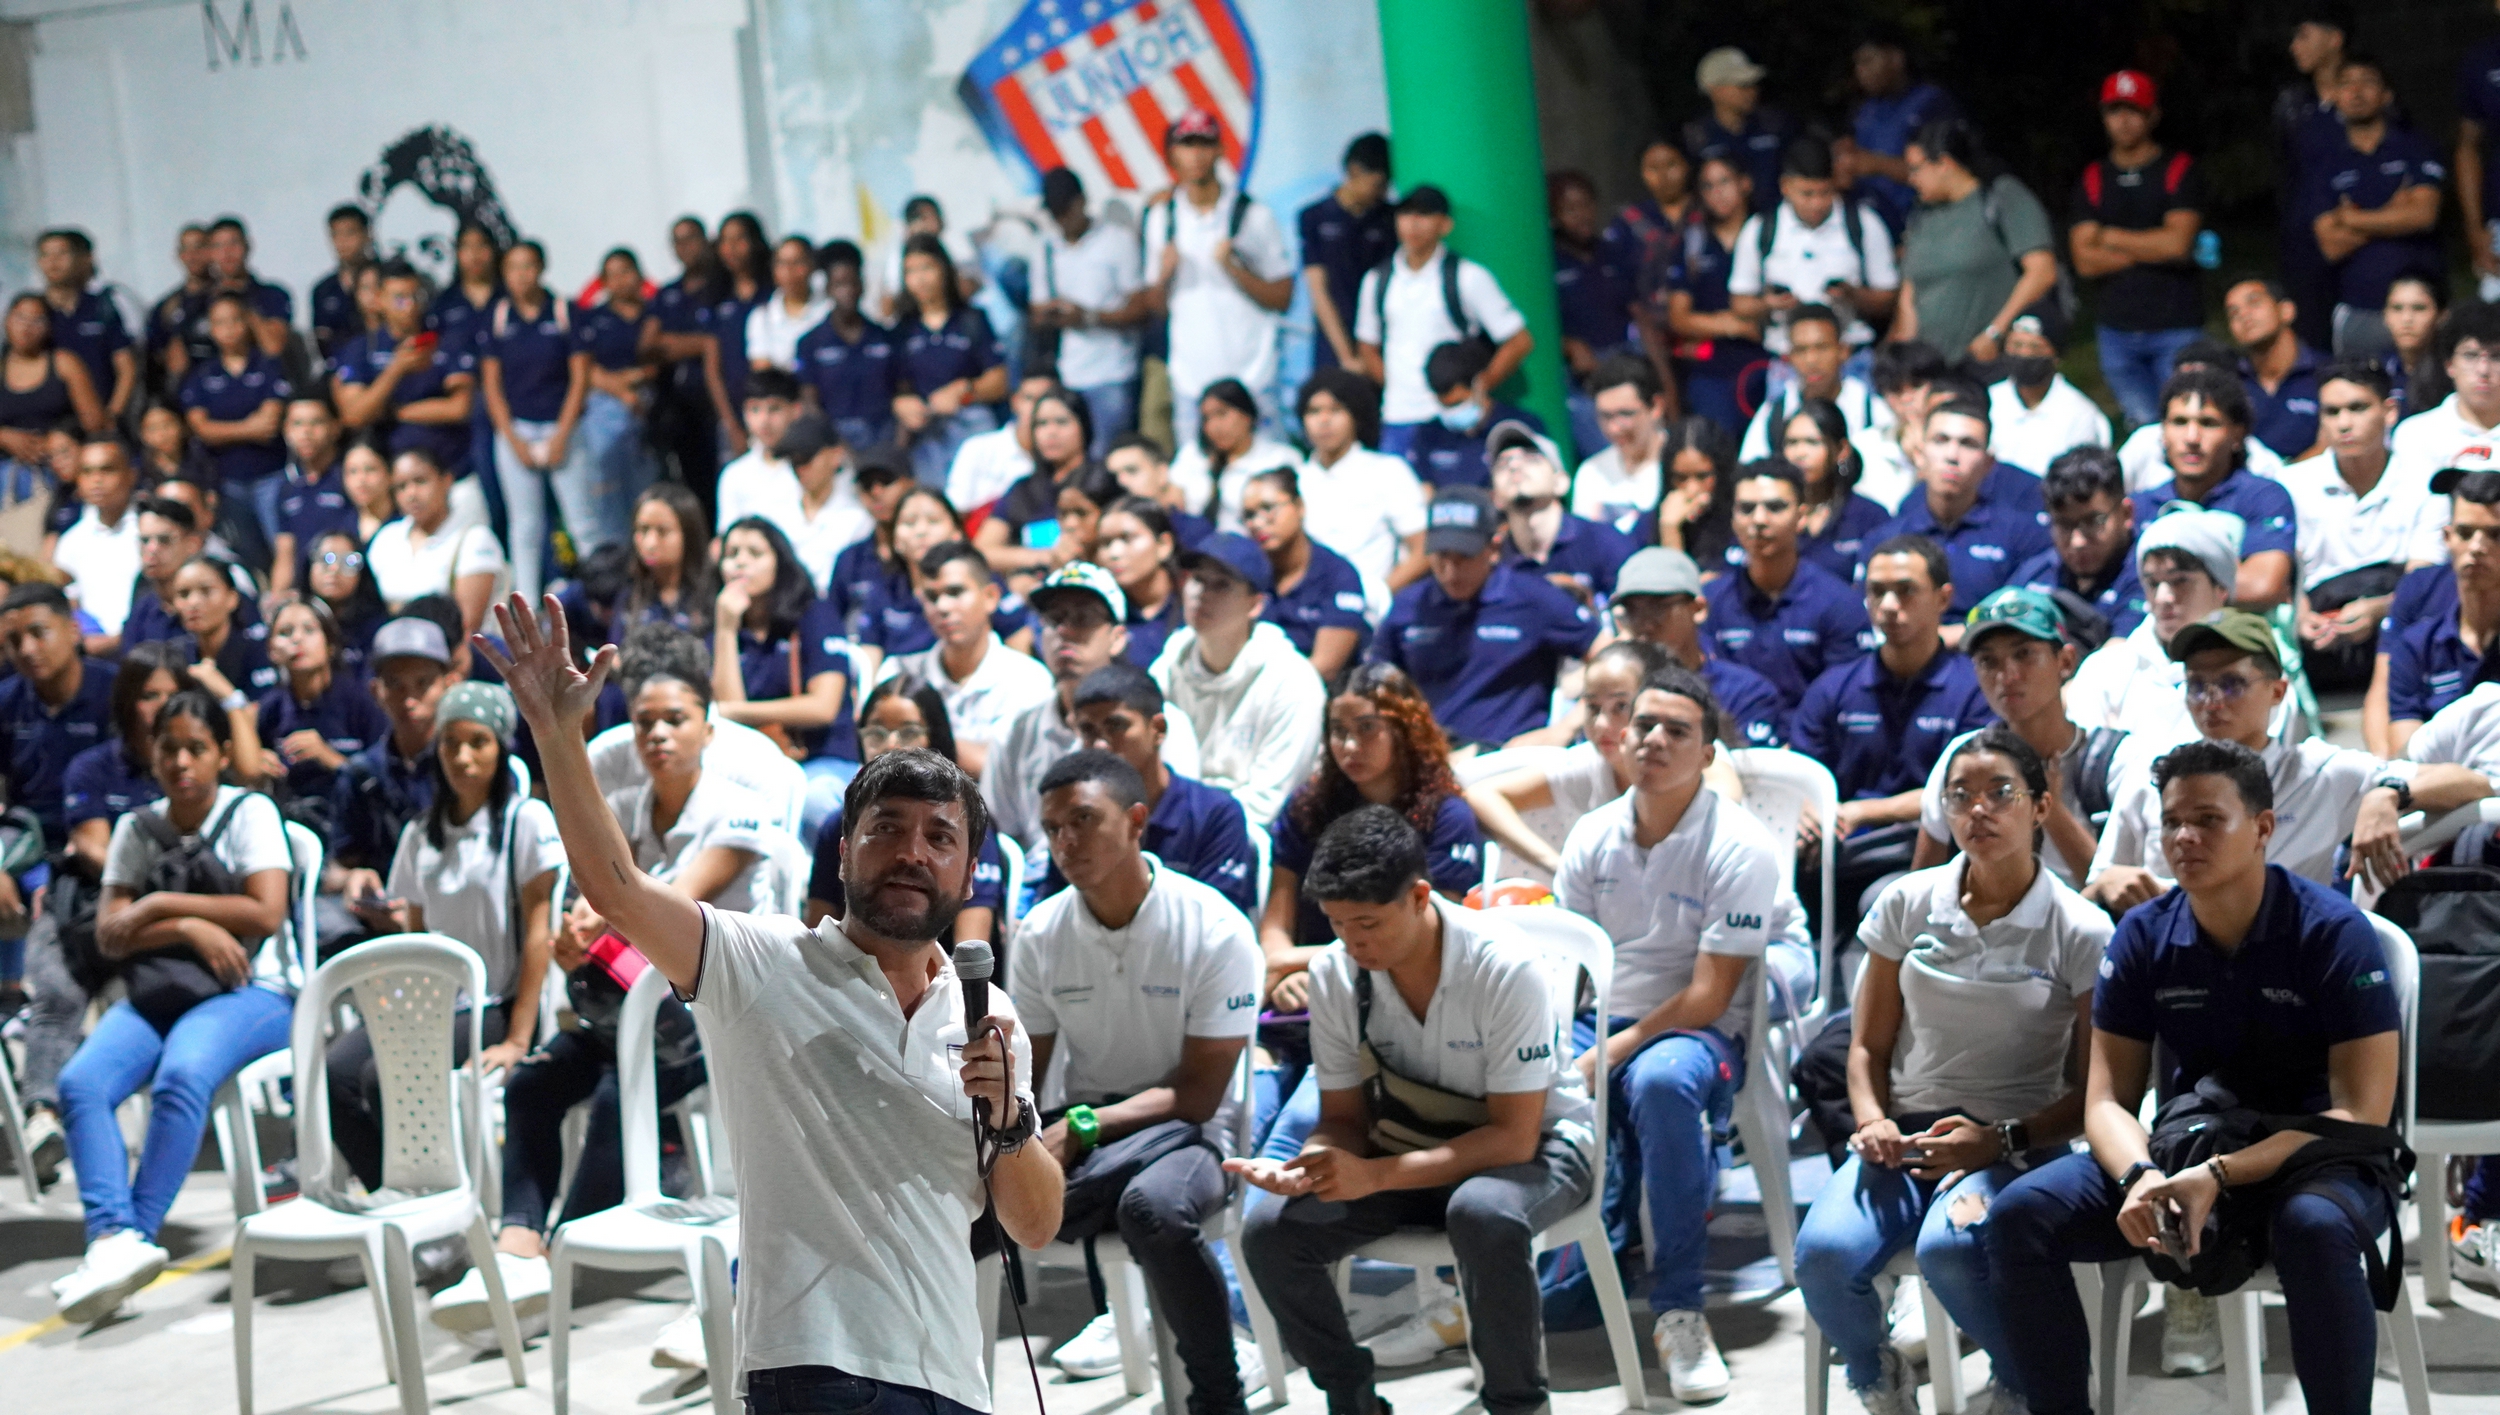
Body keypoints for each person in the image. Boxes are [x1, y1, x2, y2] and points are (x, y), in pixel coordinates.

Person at [479, 585, 1060, 1415]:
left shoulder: (989, 1016)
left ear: (969, 874)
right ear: (844, 851)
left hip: (955, 1383)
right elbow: (617, 888)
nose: (911, 852)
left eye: (939, 836)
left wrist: (1012, 1122)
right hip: (814, 1371)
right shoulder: (762, 960)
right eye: (885, 828)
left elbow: (1033, 1226)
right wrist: (555, 732)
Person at [1990, 736, 2404, 1415]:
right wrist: (2140, 1176)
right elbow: (2106, 1100)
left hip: (2319, 1155)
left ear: (2263, 828)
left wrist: (2220, 1175)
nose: (2184, 836)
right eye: (2172, 821)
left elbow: (2360, 1115)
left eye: (2209, 819)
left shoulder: (2333, 931)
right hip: (2189, 1148)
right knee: (2021, 1217)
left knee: (2311, 1228)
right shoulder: (2143, 934)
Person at [1234, 804, 1594, 1415]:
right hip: (1407, 1145)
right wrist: (1315, 1163)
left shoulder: (1504, 965)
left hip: (1539, 1150)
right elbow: (1345, 1118)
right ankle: (1352, 1397)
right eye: (1339, 925)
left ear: (1420, 896)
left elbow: (1513, 1138)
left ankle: (1516, 1404)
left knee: (1482, 1211)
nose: (1354, 942)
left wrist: (1372, 1175)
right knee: (1269, 1230)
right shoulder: (1335, 972)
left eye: (1368, 923)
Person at [1808, 725, 2108, 1415]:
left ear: (2039, 806)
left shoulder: (2080, 928)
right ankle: (1875, 1369)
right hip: (1903, 1138)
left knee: (1950, 1249)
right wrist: (1872, 1118)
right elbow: (1865, 1048)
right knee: (1824, 1255)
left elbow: (2098, 1092)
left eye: (2000, 792)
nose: (1979, 810)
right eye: (1959, 795)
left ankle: (2023, 1377)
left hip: (2016, 1143)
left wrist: (1999, 1140)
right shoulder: (1906, 902)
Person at [1545, 660, 1814, 1402]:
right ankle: (1471, 1291)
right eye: (1644, 724)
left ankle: (1679, 1310)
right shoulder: (1592, 835)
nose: (1656, 739)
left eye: (1678, 730)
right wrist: (1561, 1047)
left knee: (1662, 1083)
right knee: (1509, 1071)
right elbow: (1571, 967)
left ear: (1707, 753)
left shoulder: (1742, 844)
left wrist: (1614, 1049)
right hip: (1596, 1021)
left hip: (1694, 1029)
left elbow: (1707, 995)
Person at [1016, 746, 1264, 1394]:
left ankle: (1217, 1396)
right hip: (1091, 1126)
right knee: (956, 1201)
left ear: (1136, 821)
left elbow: (1201, 1092)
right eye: (1051, 829)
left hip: (1193, 1131)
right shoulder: (1040, 933)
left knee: (1151, 1207)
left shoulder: (1215, 926)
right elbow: (1026, 1075)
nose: (1065, 841)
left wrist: (1079, 1127)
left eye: (1083, 820)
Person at [49, 689, 294, 1322]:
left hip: (256, 991)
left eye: (196, 748)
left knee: (184, 1075)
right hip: (163, 990)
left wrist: (157, 907)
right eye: (169, 749)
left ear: (219, 754)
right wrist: (189, 928)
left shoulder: (250, 813)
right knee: (81, 1082)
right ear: (150, 754)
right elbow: (108, 933)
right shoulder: (137, 827)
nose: (182, 762)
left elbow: (266, 913)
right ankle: (113, 1238)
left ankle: (136, 1234)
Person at [327, 682, 555, 1196]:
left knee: (381, 1075)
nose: (463, 756)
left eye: (478, 742)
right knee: (335, 1073)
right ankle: (399, 1194)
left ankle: (444, 1206)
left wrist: (519, 1037)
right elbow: (416, 935)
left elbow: (540, 930)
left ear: (501, 747)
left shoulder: (525, 822)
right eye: (451, 743)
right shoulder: (419, 835)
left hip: (498, 1003)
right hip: (434, 1001)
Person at [2085, 610, 2407, 909]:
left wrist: (2387, 792)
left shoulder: (2319, 771)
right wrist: (2106, 884)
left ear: (2277, 692)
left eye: (2231, 685)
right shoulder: (2152, 773)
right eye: (2197, 686)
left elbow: (2456, 781)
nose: (2211, 702)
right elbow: (2093, 891)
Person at [1791, 536, 1995, 921]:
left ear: (1943, 598)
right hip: (1835, 850)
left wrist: (1863, 811)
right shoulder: (1834, 688)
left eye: (1906, 591)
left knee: (1881, 899)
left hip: (1934, 852)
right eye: (1876, 592)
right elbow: (1802, 775)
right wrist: (1806, 812)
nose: (1888, 606)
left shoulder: (1974, 690)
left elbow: (1968, 791)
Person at [1261, 664, 1485, 1003]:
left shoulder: (1446, 815)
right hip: (1309, 985)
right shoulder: (1306, 807)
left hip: (1407, 987)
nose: (1350, 745)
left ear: (1404, 729)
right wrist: (1282, 977)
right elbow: (1277, 924)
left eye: (1367, 728)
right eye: (1338, 730)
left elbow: (1431, 938)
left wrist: (1289, 962)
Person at [1908, 588, 2133, 888]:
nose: (2007, 675)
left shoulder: (2116, 759)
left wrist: (2049, 808)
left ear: (2065, 662)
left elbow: (2115, 895)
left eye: (2024, 654)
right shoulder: (1963, 758)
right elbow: (1920, 888)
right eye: (1989, 661)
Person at [982, 561, 1199, 860]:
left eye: (1083, 618)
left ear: (1118, 638)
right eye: (1053, 619)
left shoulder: (1162, 723)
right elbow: (1001, 838)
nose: (1064, 631)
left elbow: (1182, 819)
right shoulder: (1013, 730)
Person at [1375, 486, 1601, 751]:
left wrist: (1565, 728)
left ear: (1493, 547)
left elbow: (1612, 655)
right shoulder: (1408, 605)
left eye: (1463, 557)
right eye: (1441, 556)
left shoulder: (1534, 599)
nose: (1450, 571)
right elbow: (1377, 683)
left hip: (1507, 757)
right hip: (1430, 757)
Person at [804, 673, 1004, 952]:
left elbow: (971, 949)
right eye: (876, 733)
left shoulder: (963, 823)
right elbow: (818, 946)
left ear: (934, 737)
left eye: (908, 733)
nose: (891, 745)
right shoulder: (836, 824)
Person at [1046, 664, 1259, 917]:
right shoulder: (1073, 815)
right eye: (1088, 731)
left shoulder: (1215, 814)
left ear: (1158, 729)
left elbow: (1220, 924)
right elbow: (1055, 913)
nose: (1100, 745)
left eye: (1116, 726)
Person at [1153, 531, 1328, 831]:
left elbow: (1269, 801)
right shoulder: (1168, 666)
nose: (1201, 593)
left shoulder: (1292, 681)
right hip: (1177, 826)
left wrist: (1190, 829)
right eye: (1197, 579)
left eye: (1221, 584)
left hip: (1259, 839)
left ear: (1255, 604)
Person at [1140, 109, 1294, 449]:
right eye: (1186, 145)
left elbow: (1283, 296)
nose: (1195, 155)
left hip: (1253, 375)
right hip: (1191, 380)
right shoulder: (1161, 219)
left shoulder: (1253, 215)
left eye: (1204, 145)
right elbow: (1155, 308)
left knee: (1268, 472)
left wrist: (1235, 270)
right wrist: (1164, 276)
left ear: (1220, 151)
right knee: (1197, 480)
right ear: (1171, 155)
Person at [2070, 70, 2209, 429]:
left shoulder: (2178, 169)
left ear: (2153, 116)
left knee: (2185, 421)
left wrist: (2110, 236)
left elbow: (2178, 244)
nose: (2124, 120)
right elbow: (2084, 261)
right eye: (2115, 110)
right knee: (2143, 427)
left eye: (2134, 110)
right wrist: (2153, 246)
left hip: (2176, 326)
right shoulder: (2094, 177)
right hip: (2116, 330)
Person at [1464, 638, 1675, 876]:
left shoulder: (1696, 760)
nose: (1602, 724)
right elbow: (1482, 795)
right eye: (1594, 708)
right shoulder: (1588, 764)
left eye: (1621, 706)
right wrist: (1557, 864)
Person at [1355, 184, 1534, 458]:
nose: (1413, 223)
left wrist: (1480, 385)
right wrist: (1395, 386)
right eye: (1405, 214)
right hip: (1398, 418)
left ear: (1445, 224)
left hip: (1453, 415)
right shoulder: (1376, 281)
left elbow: (1519, 341)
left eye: (1424, 215)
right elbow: (1367, 346)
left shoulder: (1469, 276)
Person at [2275, 360, 2414, 692]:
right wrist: (2300, 615)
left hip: (2400, 632)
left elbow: (2426, 580)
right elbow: (2282, 573)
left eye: (2357, 408)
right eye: (2332, 412)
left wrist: (2378, 609)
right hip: (2319, 639)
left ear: (2390, 411)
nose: (2344, 423)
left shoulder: (2422, 482)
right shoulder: (2289, 485)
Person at [710, 515, 854, 830]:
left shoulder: (815, 614)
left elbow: (823, 707)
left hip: (821, 758)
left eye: (755, 553)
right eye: (732, 554)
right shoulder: (723, 627)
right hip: (752, 766)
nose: (740, 563)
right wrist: (726, 629)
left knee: (812, 802)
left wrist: (736, 711)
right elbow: (730, 718)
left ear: (780, 563)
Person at [2065, 504, 2242, 748]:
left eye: (2180, 581)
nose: (2163, 598)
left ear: (2221, 589)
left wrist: (2126, 751)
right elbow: (2086, 770)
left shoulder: (2252, 669)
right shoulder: (2105, 669)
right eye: (2152, 583)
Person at [1704, 458, 1871, 713]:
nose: (1759, 520)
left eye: (1775, 507)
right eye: (1746, 509)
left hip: (1808, 747)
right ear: (1733, 519)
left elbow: (1848, 698)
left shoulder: (1840, 604)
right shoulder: (1709, 602)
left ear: (1801, 517)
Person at [1891, 118, 2058, 368]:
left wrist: (1994, 332)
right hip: (1933, 371)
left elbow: (2042, 272)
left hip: (1990, 364)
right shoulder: (1921, 218)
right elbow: (1910, 293)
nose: (1911, 179)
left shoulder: (2001, 198)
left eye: (1916, 168)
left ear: (1944, 164)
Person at [1869, 394, 2055, 619]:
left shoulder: (2023, 537)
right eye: (1941, 440)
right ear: (1919, 455)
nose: (1952, 456)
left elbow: (2029, 614)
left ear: (1988, 463)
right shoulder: (1885, 539)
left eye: (1968, 444)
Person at [481, 240, 597, 599]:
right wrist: (514, 440)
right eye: (513, 268)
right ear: (504, 273)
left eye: (528, 266)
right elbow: (492, 386)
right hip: (516, 431)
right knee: (525, 528)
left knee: (583, 523)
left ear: (542, 268)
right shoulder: (498, 317)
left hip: (563, 429)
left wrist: (561, 434)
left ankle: (603, 601)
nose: (521, 276)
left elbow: (580, 377)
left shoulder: (563, 311)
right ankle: (528, 610)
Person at [2309, 54, 2445, 360]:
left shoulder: (2415, 147)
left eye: (2367, 82)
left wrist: (2352, 218)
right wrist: (2394, 214)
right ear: (2335, 97)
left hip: (2421, 306)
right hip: (2359, 309)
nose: (2356, 92)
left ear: (2386, 95)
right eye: (2346, 84)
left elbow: (2423, 215)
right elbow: (2330, 244)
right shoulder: (2325, 162)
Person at [2130, 366, 2299, 610]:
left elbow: (2262, 586)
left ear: (2237, 435)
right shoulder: (2141, 505)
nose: (2191, 438)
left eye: (2208, 423)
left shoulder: (2263, 497)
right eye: (2179, 422)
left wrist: (2159, 583)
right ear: (2163, 433)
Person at [891, 541, 1055, 779]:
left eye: (955, 592)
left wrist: (921, 741)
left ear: (990, 597)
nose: (942, 607)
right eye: (931, 596)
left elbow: (1011, 769)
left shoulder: (1030, 679)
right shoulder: (899, 673)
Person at [1728, 137, 1899, 360]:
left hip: (1850, 355)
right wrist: (1769, 304)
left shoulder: (1863, 223)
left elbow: (1888, 298)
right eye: (1807, 194)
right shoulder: (1760, 230)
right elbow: (1740, 304)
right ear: (1786, 187)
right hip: (1786, 357)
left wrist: (1854, 295)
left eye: (1825, 192)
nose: (1817, 203)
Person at [1602, 549, 1787, 749]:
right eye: (1633, 611)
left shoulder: (1745, 693)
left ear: (1698, 609)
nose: (1646, 624)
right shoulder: (1614, 693)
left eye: (1658, 608)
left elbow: (1750, 773)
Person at [329, 617, 459, 897]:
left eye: (422, 683)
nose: (409, 699)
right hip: (383, 912)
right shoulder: (361, 774)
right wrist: (354, 879)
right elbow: (337, 866)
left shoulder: (466, 765)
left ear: (449, 684)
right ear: (376, 691)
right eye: (395, 684)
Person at [2384, 457, 2500, 755]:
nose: (2476, 546)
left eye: (2494, 535)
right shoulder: (2417, 646)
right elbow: (2407, 756)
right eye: (2464, 533)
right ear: (2447, 538)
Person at [331, 259, 480, 484]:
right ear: (379, 300)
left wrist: (393, 412)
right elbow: (354, 415)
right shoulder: (362, 348)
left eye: (415, 296)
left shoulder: (447, 340)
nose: (410, 305)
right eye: (400, 298)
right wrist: (396, 369)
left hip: (452, 469)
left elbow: (459, 408)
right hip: (391, 479)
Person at [1031, 167, 1145, 454]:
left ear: (1081, 202)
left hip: (1113, 373)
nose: (1060, 220)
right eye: (1054, 213)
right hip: (1069, 375)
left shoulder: (1116, 241)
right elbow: (1036, 310)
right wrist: (1053, 314)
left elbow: (1140, 308)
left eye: (1064, 210)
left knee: (1109, 461)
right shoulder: (1046, 248)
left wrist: (1089, 317)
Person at [254, 592, 388, 827]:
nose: (297, 640)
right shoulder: (271, 708)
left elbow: (384, 781)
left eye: (309, 630)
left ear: (330, 645)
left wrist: (328, 757)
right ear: (272, 651)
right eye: (285, 633)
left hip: (354, 819)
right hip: (289, 820)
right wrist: (260, 763)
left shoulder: (361, 702)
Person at [1290, 367, 1426, 590]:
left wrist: (1381, 595)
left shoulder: (1388, 472)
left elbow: (1423, 548)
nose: (1324, 420)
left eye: (1336, 410)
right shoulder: (1296, 478)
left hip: (1372, 608)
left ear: (1356, 415)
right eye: (1314, 411)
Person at [891, 232, 1007, 488]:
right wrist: (903, 405)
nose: (920, 279)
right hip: (928, 436)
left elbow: (999, 380)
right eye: (910, 271)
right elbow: (895, 386)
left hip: (972, 427)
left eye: (927, 268)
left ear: (944, 269)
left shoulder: (972, 319)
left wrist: (964, 392)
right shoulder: (902, 330)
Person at [1666, 155, 1770, 433]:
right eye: (1708, 186)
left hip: (1771, 362)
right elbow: (1678, 317)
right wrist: (1733, 325)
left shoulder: (1771, 234)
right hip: (1712, 371)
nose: (1717, 193)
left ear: (1745, 183)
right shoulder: (1693, 244)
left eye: (1724, 181)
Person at [1235, 469, 1368, 678]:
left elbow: (1326, 667)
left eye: (1268, 508)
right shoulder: (1245, 576)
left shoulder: (1338, 575)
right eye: (1249, 515)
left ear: (1300, 507)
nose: (1258, 523)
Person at [1487, 421, 1639, 602]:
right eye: (1503, 464)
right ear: (1495, 497)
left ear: (1561, 482)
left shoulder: (1603, 542)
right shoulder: (1491, 559)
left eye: (1531, 458)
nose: (1514, 466)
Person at [1550, 169, 1644, 457]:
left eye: (1587, 205)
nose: (1582, 215)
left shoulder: (1612, 253)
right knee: (1609, 452)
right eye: (1570, 209)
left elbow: (1639, 314)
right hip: (1580, 378)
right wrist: (1569, 345)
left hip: (1625, 362)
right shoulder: (1546, 261)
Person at [366, 447, 506, 638]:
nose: (411, 493)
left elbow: (468, 626)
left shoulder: (475, 539)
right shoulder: (386, 538)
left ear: (446, 481)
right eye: (401, 487)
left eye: (420, 481)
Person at [976, 385, 1104, 587]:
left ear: (1084, 426)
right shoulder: (1022, 490)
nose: (1050, 432)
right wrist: (1047, 556)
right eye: (1041, 424)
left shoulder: (1103, 480)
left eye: (1061, 422)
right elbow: (983, 550)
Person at [1838, 29, 1962, 236]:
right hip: (1872, 224)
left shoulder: (1930, 102)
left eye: (1868, 61)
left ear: (1896, 59)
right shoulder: (1865, 110)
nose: (1861, 71)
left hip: (1923, 222)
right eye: (1857, 64)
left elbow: (1952, 173)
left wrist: (1877, 164)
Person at [1300, 132, 1397, 373]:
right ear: (1354, 171)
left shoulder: (1390, 218)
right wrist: (1346, 356)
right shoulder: (1315, 216)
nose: (1383, 193)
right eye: (1378, 185)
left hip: (1381, 342)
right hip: (1334, 340)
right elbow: (1318, 290)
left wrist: (1370, 353)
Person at [1737, 304, 1880, 462]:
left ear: (1843, 351)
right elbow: (1750, 470)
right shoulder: (1773, 414)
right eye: (1800, 350)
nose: (1811, 360)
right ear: (1789, 357)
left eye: (1822, 348)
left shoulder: (1873, 412)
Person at [792, 239, 897, 453]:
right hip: (836, 442)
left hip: (885, 437)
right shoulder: (810, 343)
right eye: (839, 285)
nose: (847, 291)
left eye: (852, 283)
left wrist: (896, 449)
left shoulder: (886, 338)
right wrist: (838, 447)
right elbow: (810, 404)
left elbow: (902, 394)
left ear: (862, 285)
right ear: (828, 289)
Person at [1404, 339, 1548, 493]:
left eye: (1459, 403)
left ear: (1480, 384)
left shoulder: (1520, 428)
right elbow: (1424, 489)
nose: (1453, 412)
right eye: (1446, 406)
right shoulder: (1428, 435)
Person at [1985, 303, 2112, 474]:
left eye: (2035, 347)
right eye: (2016, 345)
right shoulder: (1987, 401)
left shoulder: (2079, 414)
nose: (2024, 354)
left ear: (2055, 356)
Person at [0, 293, 103, 491]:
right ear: (7, 321)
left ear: (49, 327)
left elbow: (94, 422)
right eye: (20, 317)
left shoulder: (64, 363)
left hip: (58, 467)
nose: (26, 327)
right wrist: (4, 437)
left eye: (37, 320)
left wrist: (59, 440)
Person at [1170, 377, 1300, 533]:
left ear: (1246, 415)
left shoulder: (1280, 459)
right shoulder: (1193, 455)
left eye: (1222, 414)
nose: (1214, 426)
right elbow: (1171, 498)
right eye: (1206, 418)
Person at [1782, 398, 1892, 581]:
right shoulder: (1773, 513)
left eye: (1812, 442)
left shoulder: (1870, 517)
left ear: (1842, 450)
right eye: (1792, 443)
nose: (1800, 453)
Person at [37, 229, 135, 423]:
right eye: (46, 255)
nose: (53, 261)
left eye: (61, 254)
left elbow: (126, 368)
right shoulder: (35, 312)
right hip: (49, 424)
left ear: (79, 259)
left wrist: (113, 415)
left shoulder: (102, 307)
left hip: (99, 420)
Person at [2225, 277, 2328, 462]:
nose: (2244, 314)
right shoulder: (2228, 384)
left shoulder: (2327, 373)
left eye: (2254, 303)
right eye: (2233, 313)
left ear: (2286, 311)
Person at [1683, 47, 1797, 213]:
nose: (1752, 91)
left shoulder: (1775, 125)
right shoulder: (1697, 138)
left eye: (1753, 85)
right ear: (1715, 90)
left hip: (1776, 224)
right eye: (1742, 85)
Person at [53, 434, 142, 644]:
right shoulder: (70, 542)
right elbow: (67, 603)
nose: (97, 480)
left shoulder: (150, 531)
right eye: (87, 472)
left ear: (131, 475)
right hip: (92, 650)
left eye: (107, 469)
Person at [267, 395, 355, 601]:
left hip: (348, 585)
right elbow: (285, 553)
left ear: (335, 428)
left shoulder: (349, 477)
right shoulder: (287, 489)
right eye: (297, 424)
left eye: (316, 422)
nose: (306, 432)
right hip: (306, 593)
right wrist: (277, 598)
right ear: (286, 431)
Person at [1572, 355, 1669, 540]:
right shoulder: (1591, 472)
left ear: (1656, 406)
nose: (1613, 428)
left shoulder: (1679, 465)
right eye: (1605, 416)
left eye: (1625, 414)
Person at [1094, 496, 1188, 667]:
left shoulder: (1194, 606)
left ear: (1163, 545)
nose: (1114, 553)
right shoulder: (1100, 617)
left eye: (1127, 538)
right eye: (1106, 543)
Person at [167, 553, 278, 698]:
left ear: (232, 598)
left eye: (206, 591)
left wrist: (222, 689)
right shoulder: (173, 656)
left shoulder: (262, 652)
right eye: (184, 594)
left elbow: (263, 717)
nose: (193, 602)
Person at [945, 370, 1050, 521]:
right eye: (1029, 399)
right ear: (1015, 402)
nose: (1036, 409)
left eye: (1045, 400)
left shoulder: (1059, 456)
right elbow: (956, 509)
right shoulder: (977, 448)